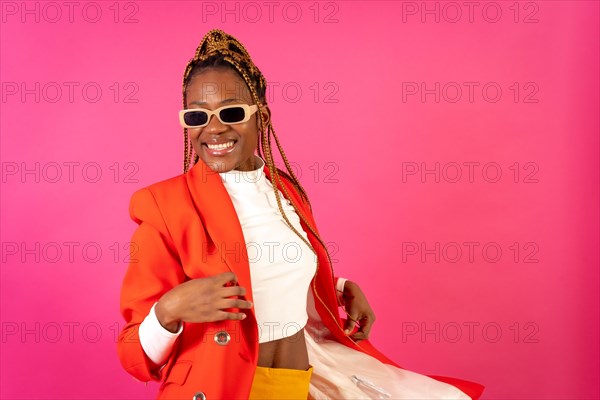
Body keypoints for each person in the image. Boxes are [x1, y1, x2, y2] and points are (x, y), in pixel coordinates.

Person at [117, 29, 485, 400]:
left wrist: (338, 288)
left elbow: (270, 269)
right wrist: (168, 311)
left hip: (298, 385)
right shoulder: (164, 205)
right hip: (226, 390)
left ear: (261, 115)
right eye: (197, 115)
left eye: (230, 112)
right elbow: (132, 354)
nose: (213, 128)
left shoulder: (284, 190)